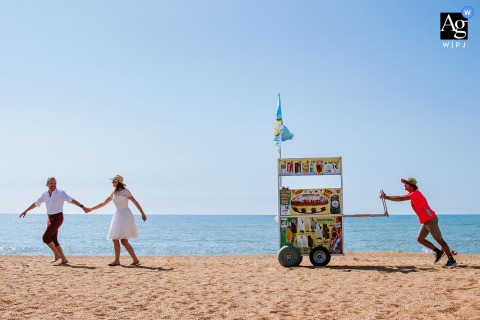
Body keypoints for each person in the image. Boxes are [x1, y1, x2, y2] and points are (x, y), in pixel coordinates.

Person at [380, 177, 457, 267]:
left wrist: (386, 197)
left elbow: (401, 198)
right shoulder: (412, 195)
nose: (404, 185)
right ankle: (438, 252)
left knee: (439, 240)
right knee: (420, 239)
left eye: (406, 183)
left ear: (411, 185)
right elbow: (402, 198)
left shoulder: (416, 193)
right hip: (425, 221)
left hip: (430, 220)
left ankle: (451, 259)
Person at [20, 177, 89, 264]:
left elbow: (71, 200)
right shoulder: (44, 194)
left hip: (58, 217)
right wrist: (26, 210)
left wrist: (82, 207)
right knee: (53, 238)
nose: (53, 184)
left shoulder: (60, 193)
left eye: (54, 183)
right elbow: (36, 203)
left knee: (45, 237)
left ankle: (57, 254)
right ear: (47, 184)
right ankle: (64, 259)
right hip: (50, 218)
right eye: (51, 183)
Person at [88, 175, 147, 266]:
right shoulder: (114, 193)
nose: (112, 182)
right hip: (118, 214)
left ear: (117, 182)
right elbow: (103, 203)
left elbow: (135, 202)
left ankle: (135, 260)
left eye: (113, 181)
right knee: (115, 238)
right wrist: (91, 209)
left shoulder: (125, 192)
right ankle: (117, 261)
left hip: (125, 214)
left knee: (124, 240)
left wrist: (142, 212)